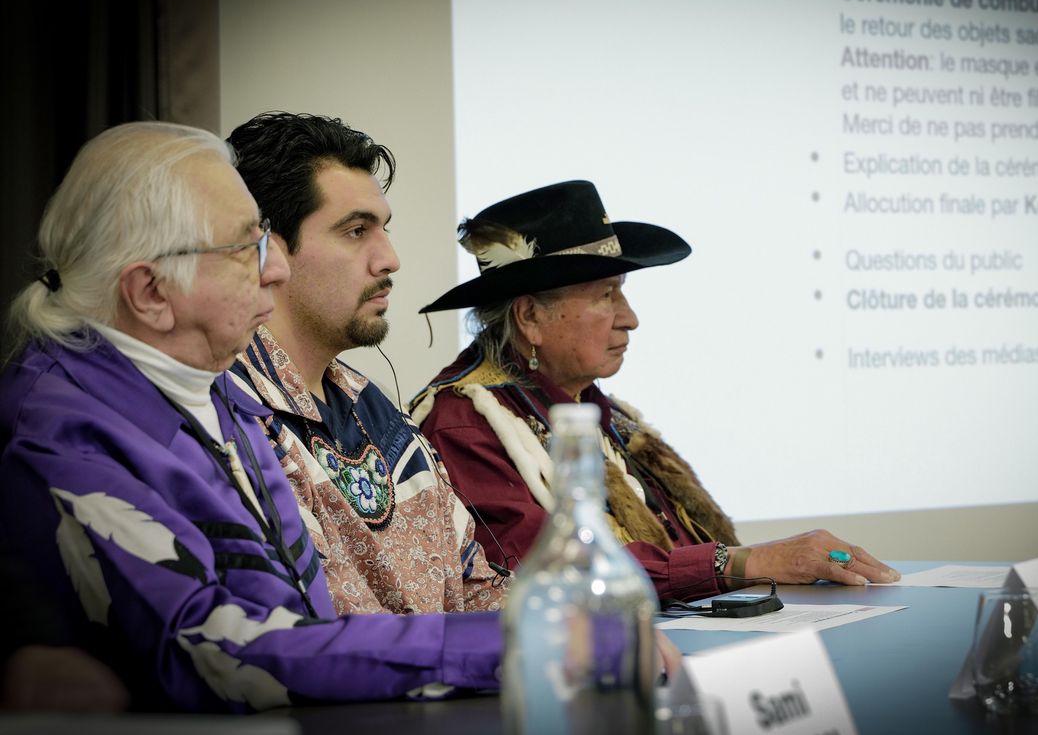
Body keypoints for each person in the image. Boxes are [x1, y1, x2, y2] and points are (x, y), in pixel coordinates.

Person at [0, 121, 503, 712]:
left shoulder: (216, 396)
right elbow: (216, 653)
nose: (275, 270)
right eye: (244, 247)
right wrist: (517, 646)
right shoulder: (61, 432)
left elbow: (299, 619)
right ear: (151, 293)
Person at [412, 180, 901, 603]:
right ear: (531, 317)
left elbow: (675, 553)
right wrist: (749, 562)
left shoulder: (606, 417)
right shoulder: (468, 423)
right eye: (607, 295)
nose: (630, 318)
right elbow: (554, 577)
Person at [224, 111, 503, 616]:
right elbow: (310, 635)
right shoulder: (232, 412)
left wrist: (571, 630)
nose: (389, 258)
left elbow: (477, 590)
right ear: (269, 248)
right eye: (356, 231)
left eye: (384, 230)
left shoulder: (377, 413)